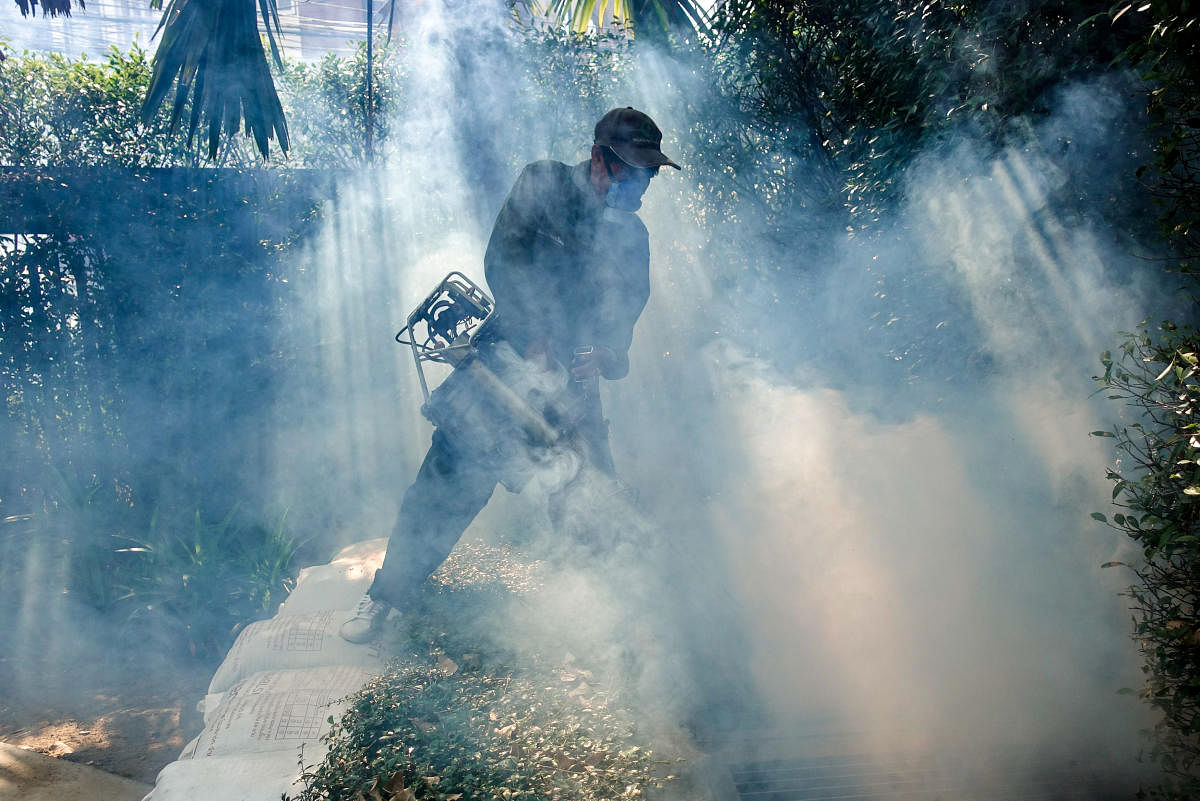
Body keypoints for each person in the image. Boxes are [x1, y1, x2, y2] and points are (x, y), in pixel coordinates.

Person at [340, 107, 679, 643]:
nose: (641, 185)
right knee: (447, 485)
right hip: (504, 362)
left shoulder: (631, 236)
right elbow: (503, 258)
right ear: (599, 158)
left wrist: (610, 355)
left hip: (572, 384)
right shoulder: (543, 182)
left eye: (649, 175)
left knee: (591, 499)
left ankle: (625, 636)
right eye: (633, 172)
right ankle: (385, 597)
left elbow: (628, 307)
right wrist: (532, 333)